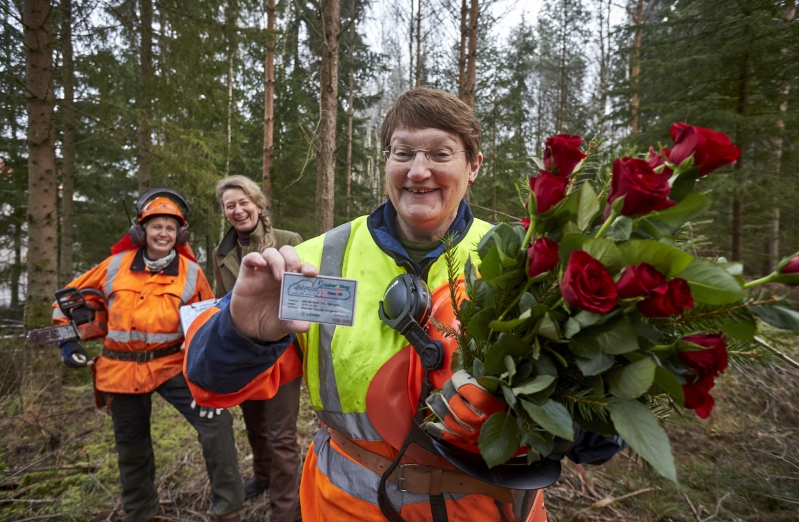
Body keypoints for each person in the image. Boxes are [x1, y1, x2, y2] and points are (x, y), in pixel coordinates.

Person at [183, 89, 622, 522]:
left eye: (439, 153)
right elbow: (210, 384)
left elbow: (594, 432)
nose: (418, 170)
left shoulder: (523, 261)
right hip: (349, 509)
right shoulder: (317, 262)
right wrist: (243, 332)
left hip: (491, 510)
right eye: (403, 152)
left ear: (473, 166)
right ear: (385, 163)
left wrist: (580, 420)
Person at [54, 188, 244, 522]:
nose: (163, 233)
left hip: (171, 363)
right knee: (132, 446)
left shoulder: (191, 273)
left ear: (180, 233)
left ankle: (229, 505)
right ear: (141, 231)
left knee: (216, 422)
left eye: (171, 228)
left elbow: (206, 324)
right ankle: (141, 512)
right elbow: (68, 301)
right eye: (156, 226)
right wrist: (69, 341)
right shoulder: (115, 265)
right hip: (120, 369)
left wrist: (211, 377)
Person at [213, 175, 303, 520]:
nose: (238, 210)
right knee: (254, 426)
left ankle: (284, 510)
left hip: (282, 354)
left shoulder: (287, 240)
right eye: (229, 206)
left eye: (243, 202)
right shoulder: (222, 253)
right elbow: (222, 303)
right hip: (244, 354)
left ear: (258, 204)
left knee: (282, 434)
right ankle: (263, 476)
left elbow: (304, 294)